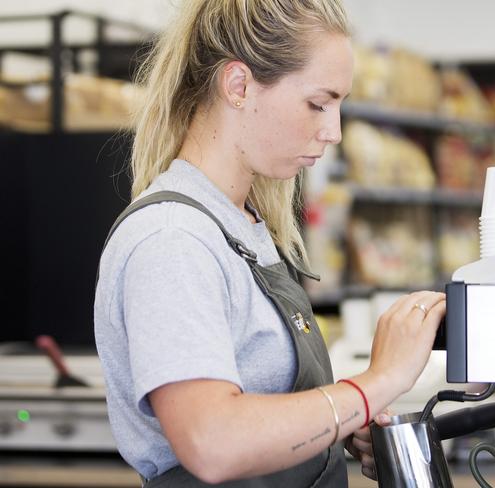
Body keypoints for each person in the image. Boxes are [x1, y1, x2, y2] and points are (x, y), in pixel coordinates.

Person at [94, 0, 446, 486]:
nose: (334, 132)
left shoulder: (244, 227)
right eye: (318, 104)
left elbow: (261, 407)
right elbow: (211, 442)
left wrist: (338, 421)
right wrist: (374, 384)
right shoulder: (174, 241)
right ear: (239, 86)